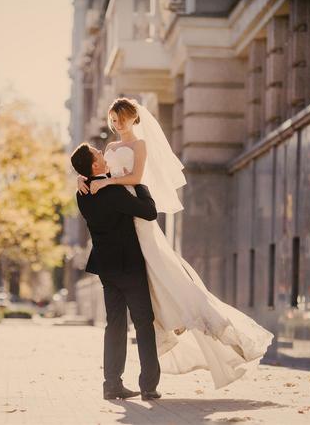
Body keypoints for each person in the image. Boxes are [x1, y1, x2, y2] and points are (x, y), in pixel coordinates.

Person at [77, 97, 275, 389]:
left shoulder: (133, 152)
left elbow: (130, 176)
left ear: (133, 119)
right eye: (113, 120)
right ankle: (146, 382)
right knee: (142, 317)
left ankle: (116, 381)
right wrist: (90, 179)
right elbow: (115, 183)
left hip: (123, 238)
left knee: (141, 299)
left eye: (120, 119)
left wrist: (97, 182)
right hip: (128, 238)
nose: (115, 125)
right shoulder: (108, 159)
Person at [71, 143, 162, 401]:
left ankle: (111, 384)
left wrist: (81, 177)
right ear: (95, 166)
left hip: (106, 268)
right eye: (98, 154)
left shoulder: (82, 193)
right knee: (144, 323)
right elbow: (149, 211)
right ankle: (148, 386)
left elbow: (92, 180)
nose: (103, 153)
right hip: (129, 266)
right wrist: (141, 184)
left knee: (115, 325)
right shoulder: (114, 193)